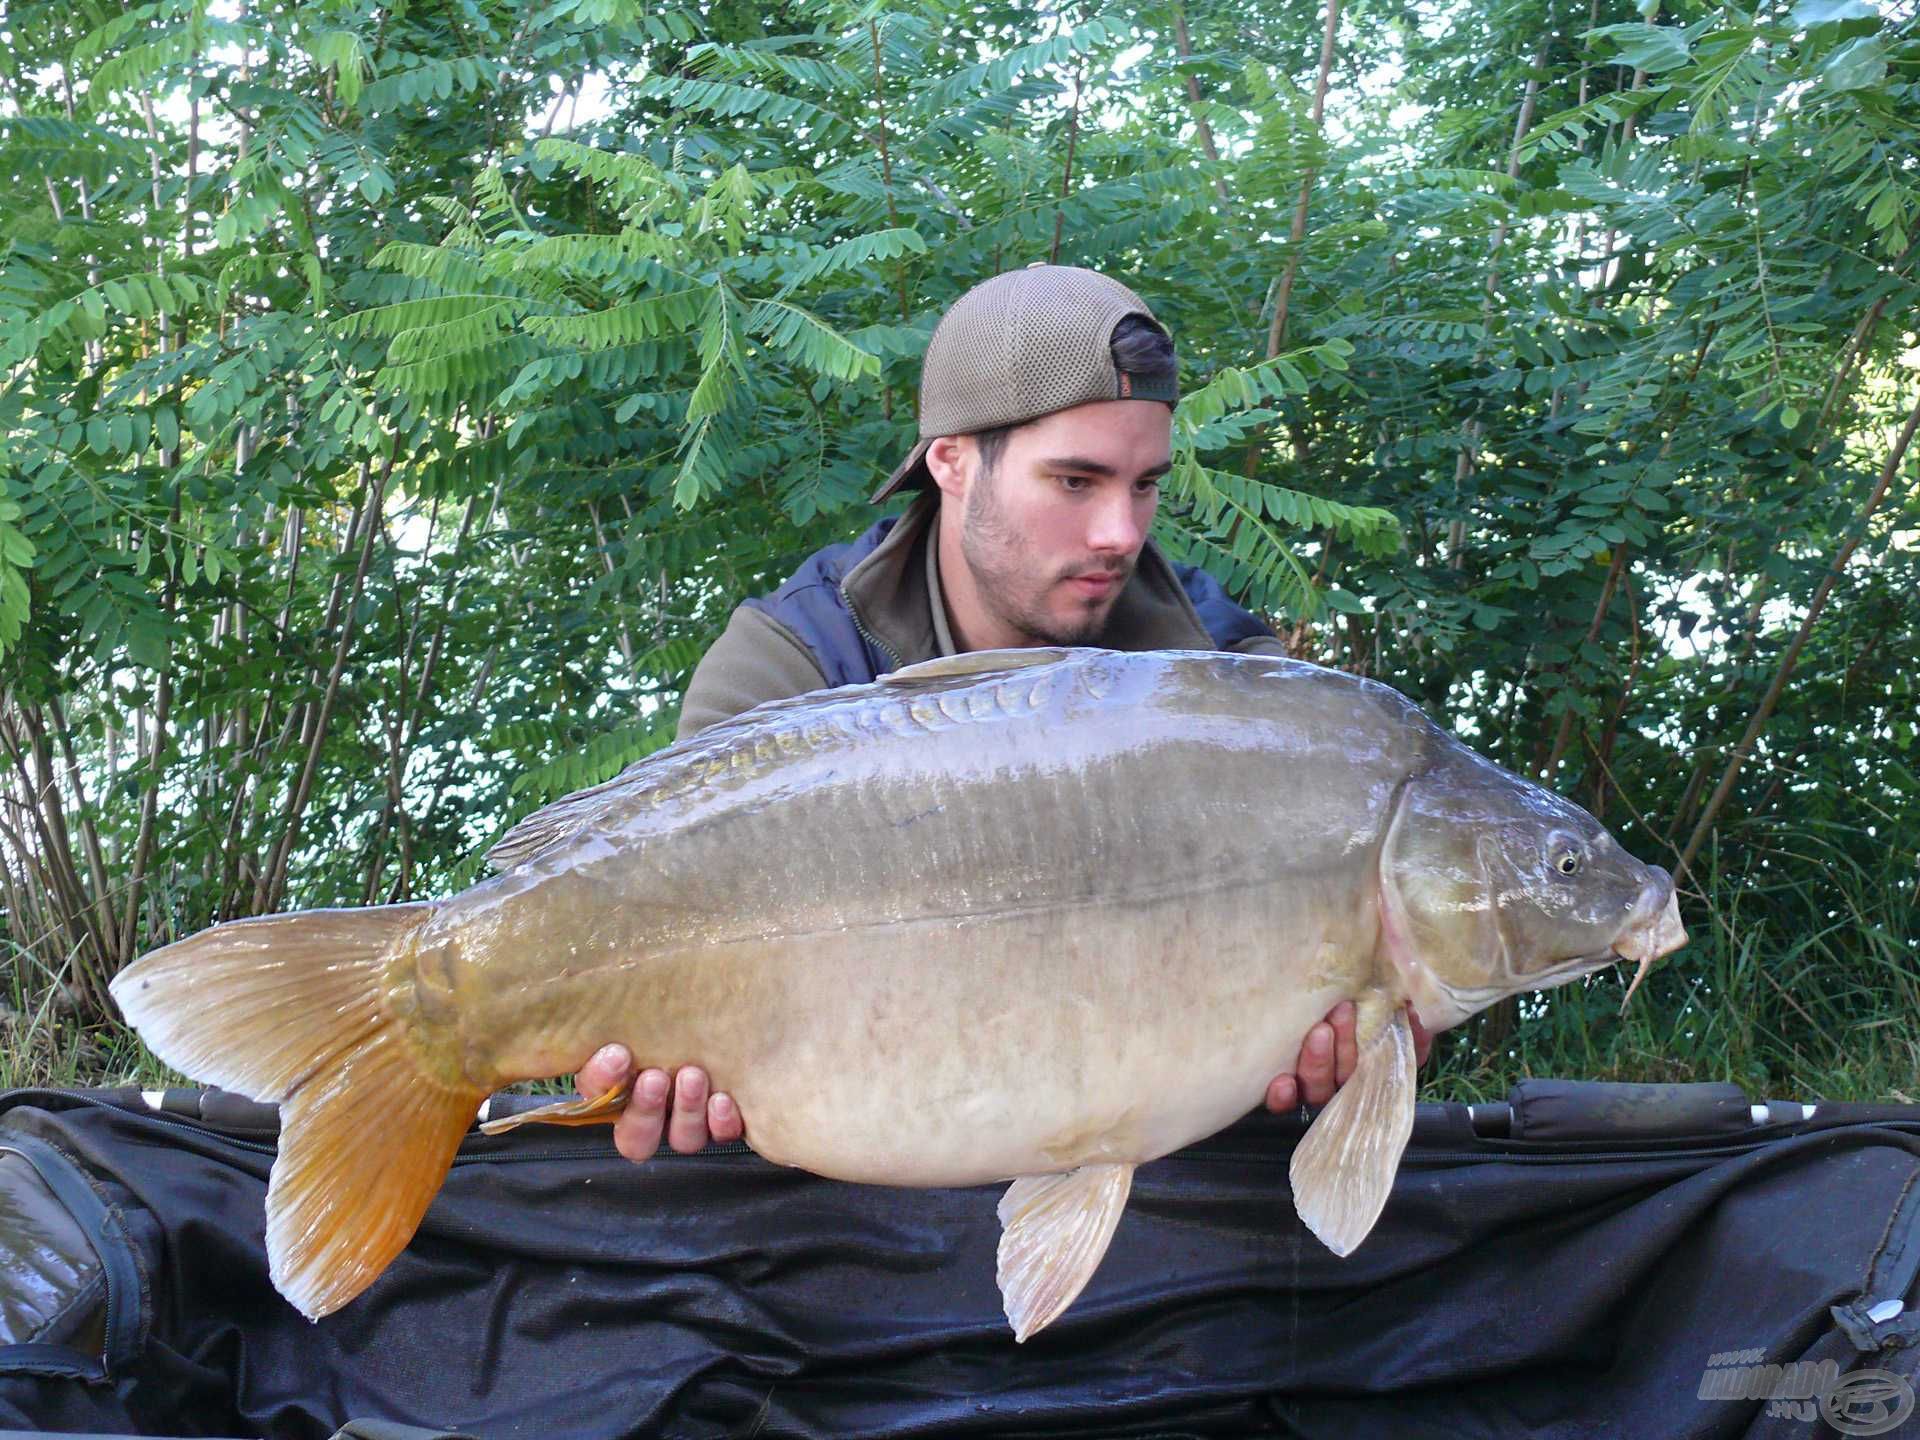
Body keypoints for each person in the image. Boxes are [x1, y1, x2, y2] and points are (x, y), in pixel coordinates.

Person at [577, 264, 1432, 1162]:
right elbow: (644, 936)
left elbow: (1379, 951)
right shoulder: (796, 663)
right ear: (949, 460)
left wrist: (1379, 1037)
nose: (1120, 533)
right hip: (847, 1197)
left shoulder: (1240, 691)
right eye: (1075, 482)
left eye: (1145, 485)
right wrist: (644, 1080)